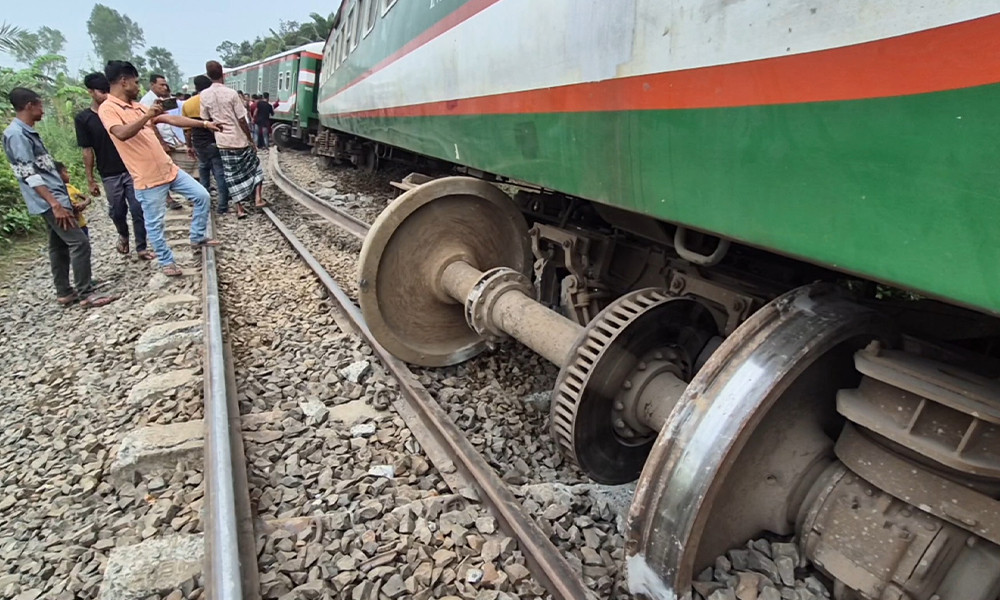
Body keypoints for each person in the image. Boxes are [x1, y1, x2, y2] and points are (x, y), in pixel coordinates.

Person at [99, 60, 223, 277]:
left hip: (169, 169)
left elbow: (170, 118)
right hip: (148, 177)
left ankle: (197, 236)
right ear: (123, 81)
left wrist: (204, 124)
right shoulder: (108, 109)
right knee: (155, 224)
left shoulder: (137, 106)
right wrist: (147, 116)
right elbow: (121, 133)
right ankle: (167, 262)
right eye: (136, 82)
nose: (139, 87)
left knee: (202, 195)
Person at [3, 88, 118, 308]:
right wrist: (54, 203)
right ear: (29, 105)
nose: (42, 110)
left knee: (58, 245)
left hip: (52, 197)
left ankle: (65, 292)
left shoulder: (25, 132)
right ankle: (86, 293)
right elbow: (30, 174)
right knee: (79, 242)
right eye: (40, 105)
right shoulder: (17, 135)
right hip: (49, 199)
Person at [75, 72, 152, 259]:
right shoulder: (84, 119)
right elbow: (87, 150)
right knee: (117, 210)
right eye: (101, 92)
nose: (105, 96)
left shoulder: (120, 110)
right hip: (109, 172)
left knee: (137, 208)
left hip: (132, 167)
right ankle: (123, 234)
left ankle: (141, 246)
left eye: (107, 91)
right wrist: (90, 178)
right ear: (91, 92)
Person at [200, 61, 266, 219]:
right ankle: (257, 198)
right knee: (255, 167)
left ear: (208, 76)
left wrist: (217, 130)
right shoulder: (231, 93)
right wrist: (250, 139)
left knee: (231, 175)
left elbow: (205, 120)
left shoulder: (204, 95)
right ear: (222, 74)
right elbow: (242, 120)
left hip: (223, 142)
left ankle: (240, 209)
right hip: (239, 139)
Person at [183, 75, 231, 214]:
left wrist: (189, 146)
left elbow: (187, 130)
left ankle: (205, 203)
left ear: (196, 87)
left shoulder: (188, 104)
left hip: (199, 143)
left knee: (203, 171)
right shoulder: (214, 101)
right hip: (215, 141)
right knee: (220, 173)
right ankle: (222, 206)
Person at [56, 161, 91, 237]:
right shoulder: (57, 192)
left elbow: (87, 198)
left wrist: (83, 203)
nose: (69, 175)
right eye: (66, 172)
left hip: (81, 224)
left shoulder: (70, 187)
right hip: (71, 227)